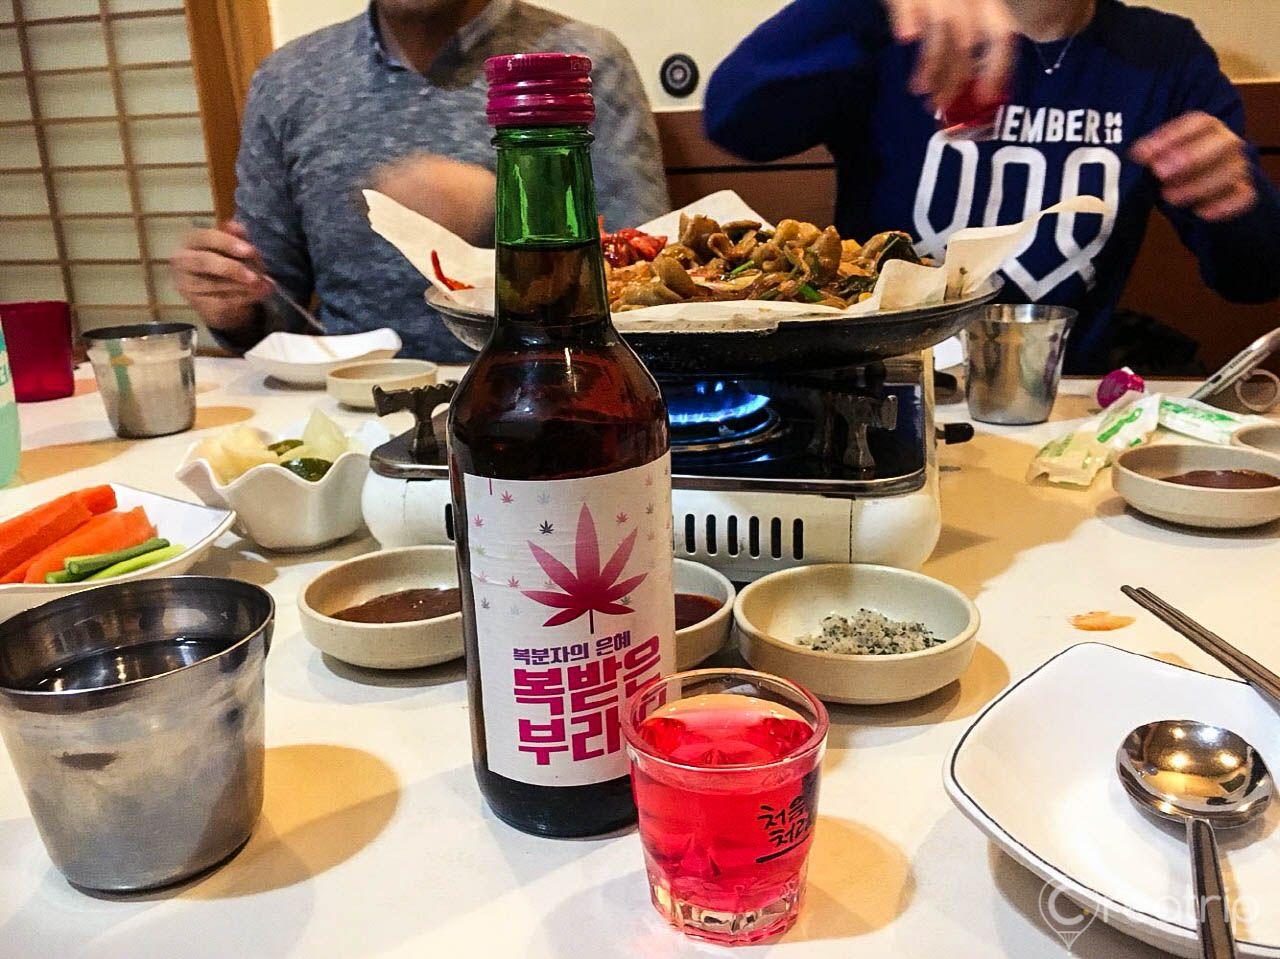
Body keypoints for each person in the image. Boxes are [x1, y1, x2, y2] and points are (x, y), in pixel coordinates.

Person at [704, 0, 1280, 373]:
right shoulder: (896, 26)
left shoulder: (1164, 56)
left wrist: (1239, 198)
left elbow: (1253, 278)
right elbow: (734, 122)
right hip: (876, 387)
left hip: (1062, 401)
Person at [172, 0, 670, 361]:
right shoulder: (287, 81)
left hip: (547, 391)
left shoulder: (582, 61)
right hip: (350, 407)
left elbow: (651, 281)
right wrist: (232, 305)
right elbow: (276, 304)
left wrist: (499, 205)